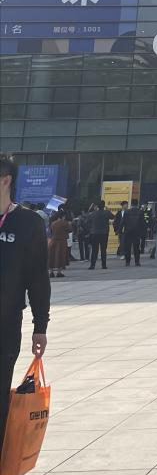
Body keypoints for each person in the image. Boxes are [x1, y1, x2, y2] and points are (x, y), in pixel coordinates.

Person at [0, 156, 50, 457]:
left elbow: (38, 278)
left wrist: (40, 326)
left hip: (4, 329)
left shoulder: (29, 223)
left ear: (6, 180)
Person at [88, 200, 115, 269]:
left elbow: (88, 219)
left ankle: (92, 265)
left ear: (97, 206)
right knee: (103, 250)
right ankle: (104, 265)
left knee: (94, 250)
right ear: (104, 206)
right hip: (104, 233)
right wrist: (108, 209)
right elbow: (113, 217)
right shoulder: (107, 212)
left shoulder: (93, 213)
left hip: (94, 233)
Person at [120, 199, 146, 267]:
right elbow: (143, 222)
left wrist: (119, 230)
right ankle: (137, 262)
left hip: (127, 231)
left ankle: (127, 262)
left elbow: (122, 222)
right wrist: (143, 231)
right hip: (137, 232)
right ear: (137, 204)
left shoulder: (126, 211)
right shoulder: (140, 212)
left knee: (127, 247)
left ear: (131, 204)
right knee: (136, 247)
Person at [47, 210, 72, 278]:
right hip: (62, 241)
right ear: (63, 216)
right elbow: (70, 230)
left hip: (53, 241)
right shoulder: (65, 223)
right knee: (61, 256)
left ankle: (51, 272)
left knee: (52, 256)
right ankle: (59, 272)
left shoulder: (53, 223)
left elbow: (51, 232)